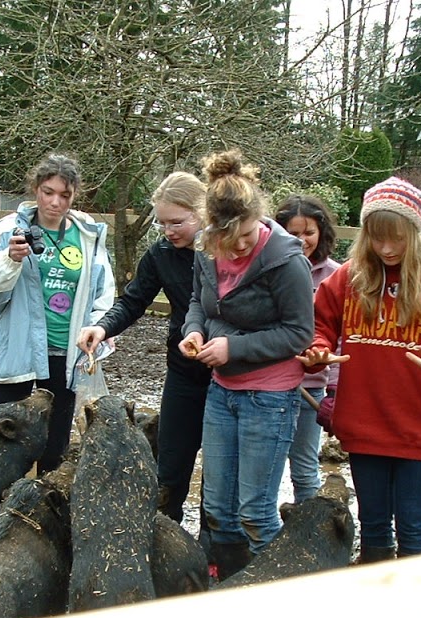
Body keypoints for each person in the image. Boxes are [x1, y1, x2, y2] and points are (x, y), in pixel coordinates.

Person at [298, 177, 421, 561]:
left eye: (397, 238)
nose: (386, 249)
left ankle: (416, 613)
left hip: (420, 427)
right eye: (377, 238)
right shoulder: (351, 276)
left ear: (415, 234)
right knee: (372, 524)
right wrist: (317, 349)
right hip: (364, 422)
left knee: (413, 526)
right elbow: (318, 323)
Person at [179, 149, 314, 580]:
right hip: (223, 392)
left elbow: (298, 334)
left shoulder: (285, 260)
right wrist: (194, 333)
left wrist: (232, 349)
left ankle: (279, 591)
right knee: (218, 508)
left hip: (270, 397)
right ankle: (236, 588)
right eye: (230, 238)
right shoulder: (206, 252)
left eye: (247, 233)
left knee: (255, 510)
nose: (240, 246)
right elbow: (198, 306)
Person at [77, 172, 213, 545]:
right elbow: (134, 300)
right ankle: (164, 538)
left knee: (218, 470)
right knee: (171, 463)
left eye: (177, 222)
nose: (168, 230)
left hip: (228, 375)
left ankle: (212, 546)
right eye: (162, 222)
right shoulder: (161, 255)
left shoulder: (225, 251)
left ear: (202, 213)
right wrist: (102, 328)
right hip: (184, 370)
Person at [0, 153, 115, 473]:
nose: (55, 202)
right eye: (48, 192)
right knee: (9, 443)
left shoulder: (87, 235)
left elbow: (104, 293)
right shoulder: (7, 230)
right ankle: (4, 515)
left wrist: (98, 330)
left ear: (75, 194)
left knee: (55, 448)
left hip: (67, 351)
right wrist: (10, 261)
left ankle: (45, 514)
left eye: (65, 195)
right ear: (35, 189)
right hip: (18, 349)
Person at [274, 194, 341, 503]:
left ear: (321, 232)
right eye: (293, 233)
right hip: (271, 386)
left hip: (311, 387)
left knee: (303, 468)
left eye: (308, 233)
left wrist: (334, 390)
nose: (301, 240)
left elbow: (339, 338)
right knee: (268, 468)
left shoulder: (336, 277)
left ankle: (309, 528)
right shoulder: (271, 269)